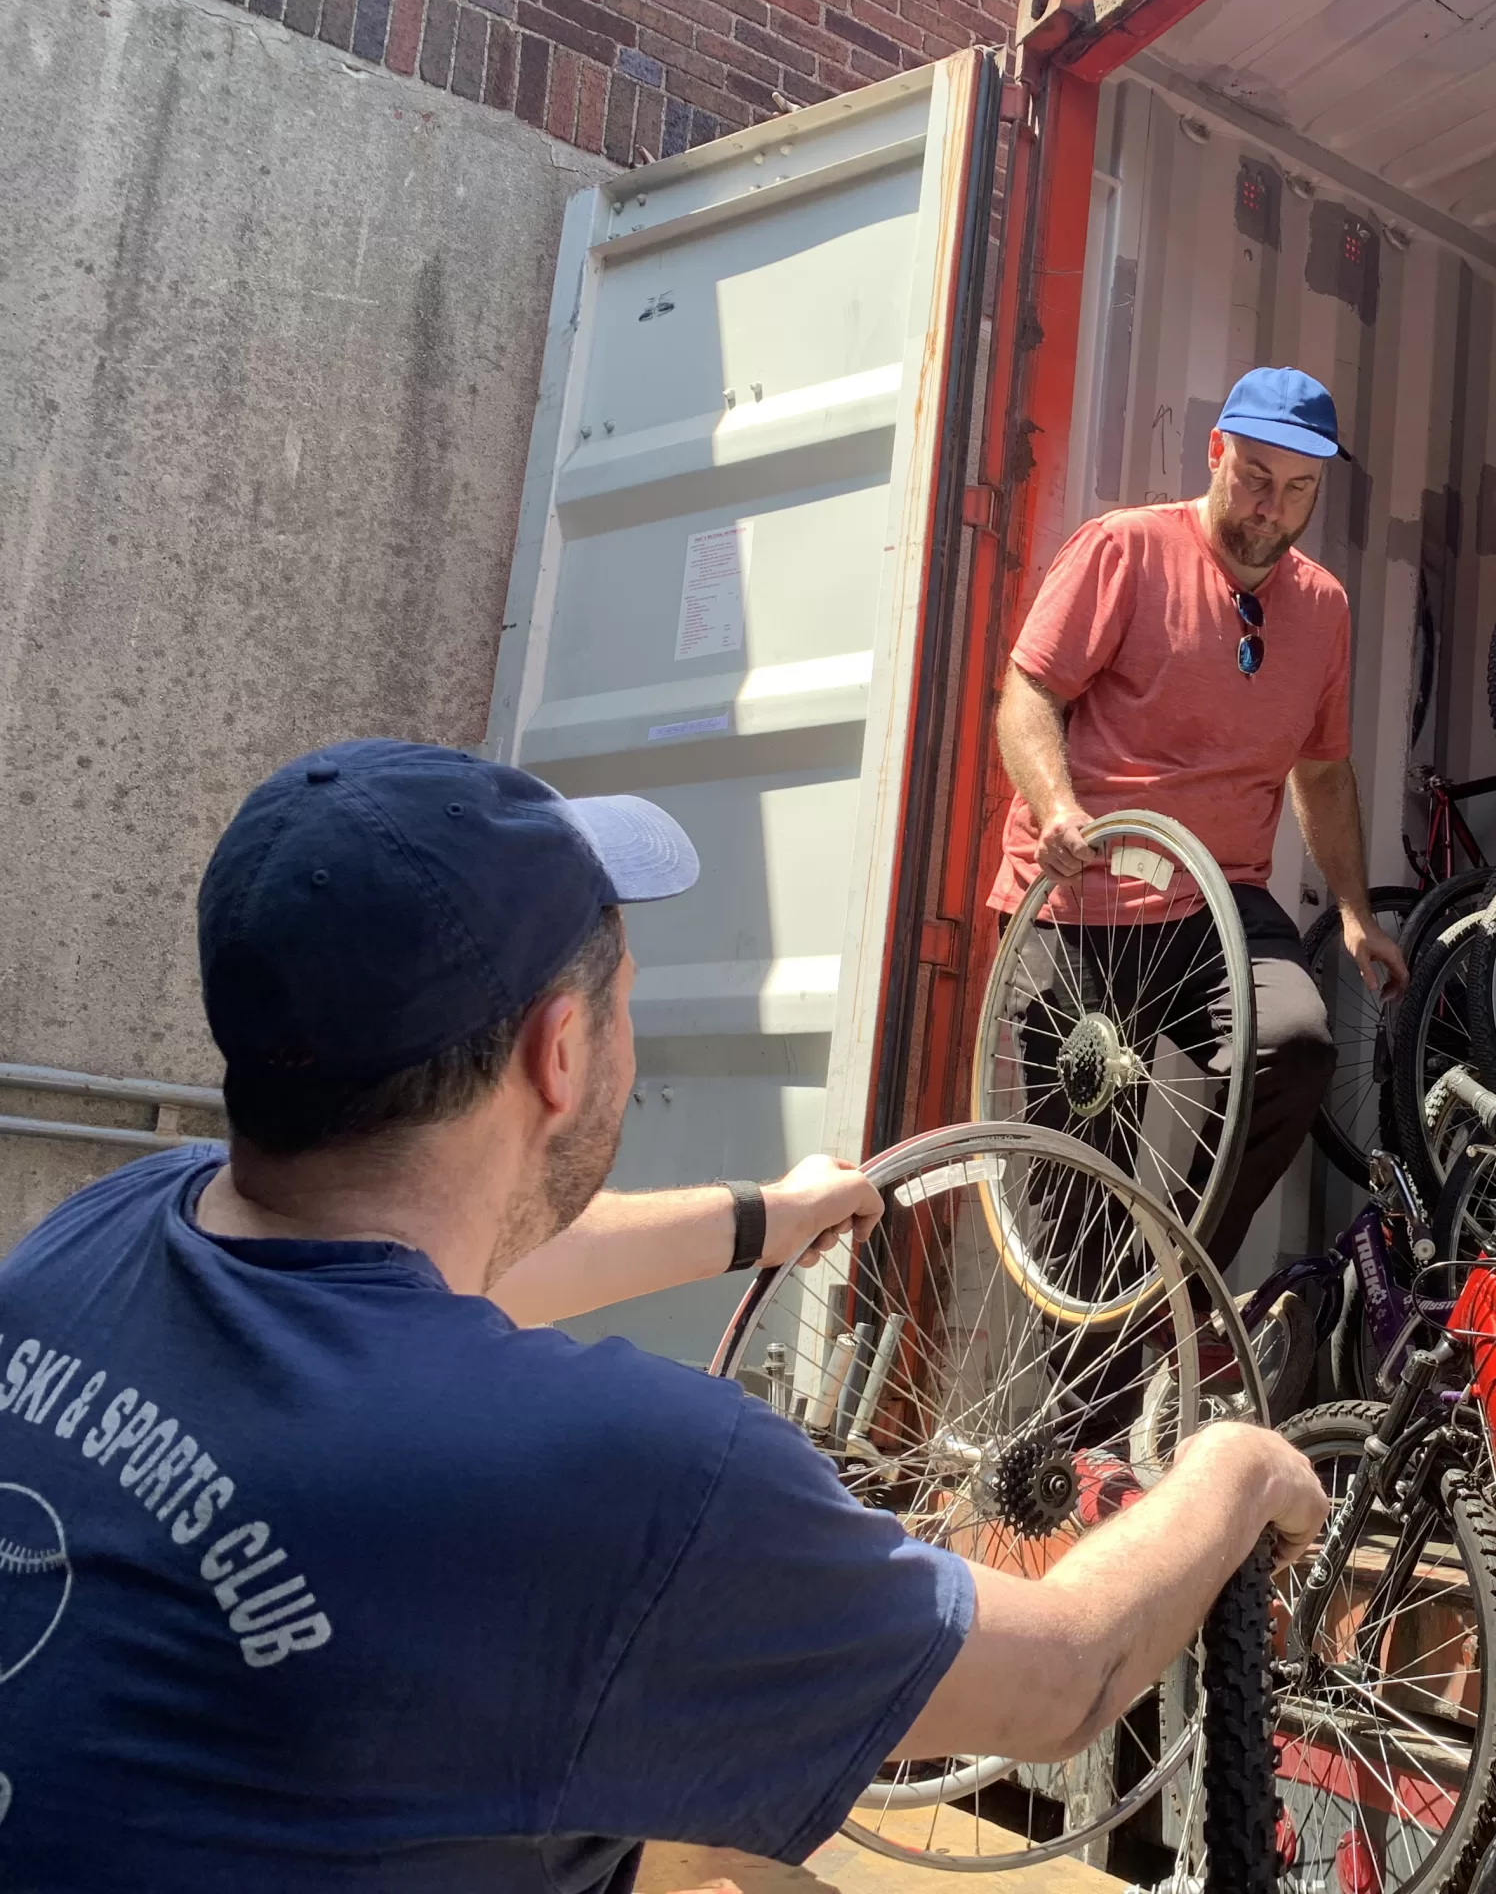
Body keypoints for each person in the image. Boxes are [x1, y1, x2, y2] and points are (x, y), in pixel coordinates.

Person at [0, 739, 1325, 1890]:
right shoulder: (619, 1480)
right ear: (559, 1053)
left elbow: (472, 1275)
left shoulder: (106, 1234)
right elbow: (1069, 1680)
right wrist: (1234, 1471)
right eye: (626, 997)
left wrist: (761, 1217)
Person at [993, 366, 1408, 1273]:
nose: (1273, 509)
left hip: (1217, 899)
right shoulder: (1126, 550)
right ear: (1216, 451)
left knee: (1296, 1045)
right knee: (1083, 1198)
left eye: (1299, 490)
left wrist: (1351, 912)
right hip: (1082, 901)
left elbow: (1325, 770)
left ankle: (1172, 1284)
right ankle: (1093, 1390)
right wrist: (1057, 805)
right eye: (1257, 478)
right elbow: (1027, 695)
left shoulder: (1323, 607)